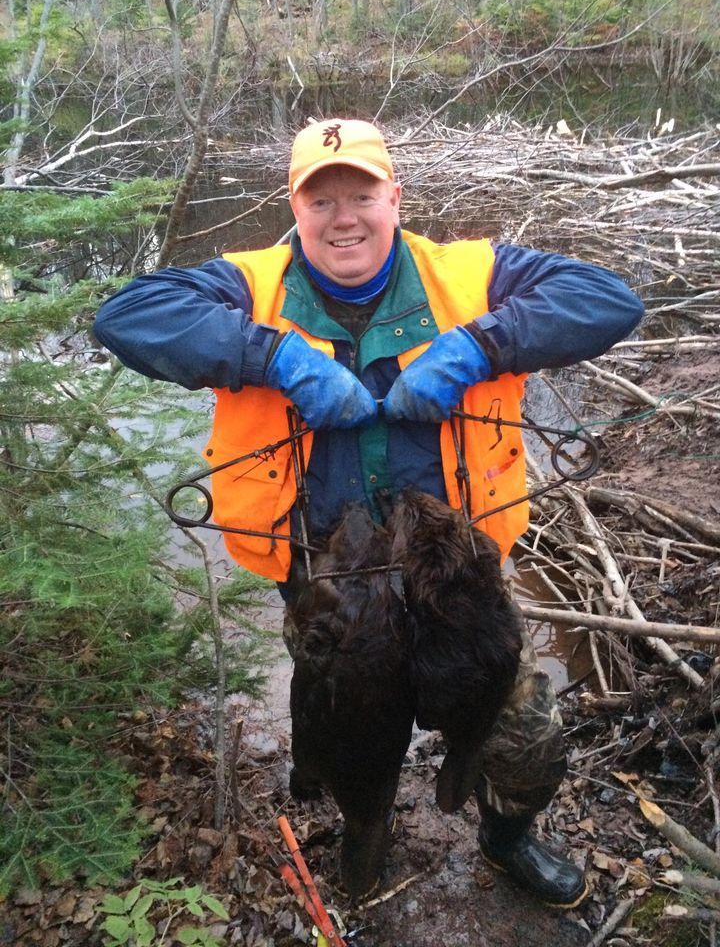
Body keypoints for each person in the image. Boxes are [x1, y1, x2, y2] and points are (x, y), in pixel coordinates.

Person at [94, 118, 644, 908]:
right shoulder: (247, 285)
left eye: (361, 194)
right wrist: (275, 356)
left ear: (395, 197)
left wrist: (480, 346)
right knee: (353, 730)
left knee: (519, 731)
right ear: (295, 206)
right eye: (321, 200)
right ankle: (365, 833)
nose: (342, 216)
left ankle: (507, 836)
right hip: (324, 573)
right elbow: (127, 317)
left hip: (455, 569)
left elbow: (606, 301)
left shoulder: (473, 274)